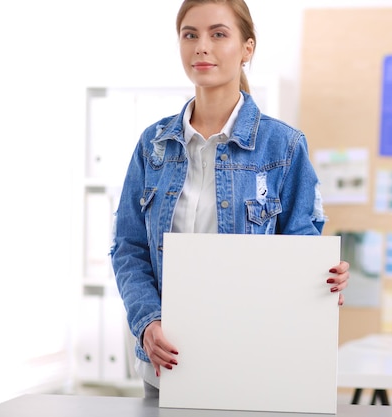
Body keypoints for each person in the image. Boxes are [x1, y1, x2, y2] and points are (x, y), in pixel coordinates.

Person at [110, 0, 350, 399]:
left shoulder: (284, 146)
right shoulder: (152, 146)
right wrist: (148, 322)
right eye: (190, 35)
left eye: (218, 34)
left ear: (247, 49)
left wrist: (325, 276)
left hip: (253, 363)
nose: (202, 46)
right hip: (167, 368)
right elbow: (128, 247)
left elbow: (302, 250)